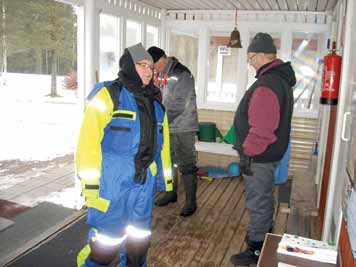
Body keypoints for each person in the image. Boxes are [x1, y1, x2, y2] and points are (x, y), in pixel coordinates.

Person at [76, 43, 173, 267]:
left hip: (143, 186)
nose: (149, 71)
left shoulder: (156, 103)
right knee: (106, 246)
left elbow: (163, 145)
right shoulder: (108, 95)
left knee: (138, 246)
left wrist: (164, 179)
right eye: (142, 66)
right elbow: (87, 143)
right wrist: (90, 186)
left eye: (151, 67)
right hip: (112, 185)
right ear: (129, 66)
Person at [231, 33, 296, 265]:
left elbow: (262, 130)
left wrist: (248, 152)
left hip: (258, 156)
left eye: (250, 58)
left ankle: (256, 249)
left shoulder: (267, 84)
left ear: (260, 56)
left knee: (258, 200)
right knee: (265, 197)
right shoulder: (280, 80)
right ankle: (265, 235)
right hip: (268, 155)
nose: (250, 62)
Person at [147, 46, 199, 217]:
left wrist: (160, 119)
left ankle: (191, 203)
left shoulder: (182, 74)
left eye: (155, 65)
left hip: (183, 127)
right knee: (169, 162)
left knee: (186, 164)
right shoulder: (162, 74)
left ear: (163, 58)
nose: (155, 69)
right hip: (168, 126)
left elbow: (179, 104)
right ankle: (171, 193)